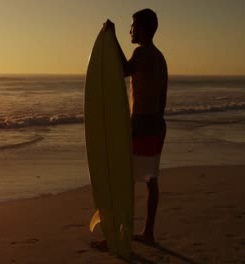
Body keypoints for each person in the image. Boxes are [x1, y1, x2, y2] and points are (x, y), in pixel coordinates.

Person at [91, 8, 168, 250]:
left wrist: (110, 38)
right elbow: (162, 97)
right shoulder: (160, 57)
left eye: (133, 26)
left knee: (120, 180)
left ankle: (114, 236)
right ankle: (148, 232)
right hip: (157, 124)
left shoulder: (142, 53)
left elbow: (122, 70)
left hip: (142, 125)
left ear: (144, 29)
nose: (130, 30)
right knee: (150, 179)